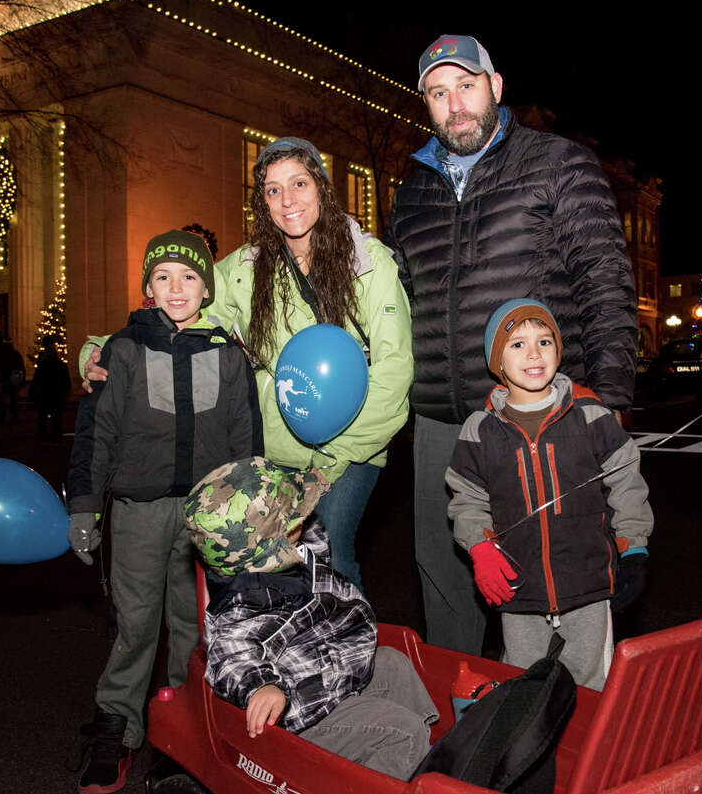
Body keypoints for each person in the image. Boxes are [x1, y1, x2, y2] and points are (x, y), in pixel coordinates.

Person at [385, 35, 637, 654]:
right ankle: (464, 712)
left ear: (496, 85)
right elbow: (393, 299)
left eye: (466, 86)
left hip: (542, 416)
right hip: (443, 420)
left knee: (557, 575)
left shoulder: (558, 164)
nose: (455, 105)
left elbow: (605, 281)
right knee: (444, 572)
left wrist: (608, 401)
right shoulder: (411, 191)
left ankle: (560, 720)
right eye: (438, 94)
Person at [82, 138, 413, 593]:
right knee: (266, 567)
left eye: (298, 183)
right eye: (273, 191)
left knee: (331, 551)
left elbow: (394, 371)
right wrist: (102, 347)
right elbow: (180, 312)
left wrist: (331, 464)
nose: (287, 200)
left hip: (355, 445)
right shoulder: (245, 268)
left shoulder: (370, 263)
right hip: (276, 448)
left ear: (321, 186)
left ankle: (346, 653)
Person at [66, 229, 262, 794]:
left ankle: (185, 731)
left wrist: (247, 518)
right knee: (134, 627)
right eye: (163, 277)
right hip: (139, 513)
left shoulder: (229, 355)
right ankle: (117, 729)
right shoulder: (122, 351)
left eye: (190, 277)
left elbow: (245, 443)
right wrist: (85, 507)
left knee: (196, 628)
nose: (177, 288)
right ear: (149, 287)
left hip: (208, 518)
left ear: (207, 287)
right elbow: (97, 434)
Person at [185, 457, 438, 779]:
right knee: (402, 731)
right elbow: (232, 656)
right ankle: (394, 765)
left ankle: (423, 762)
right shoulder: (242, 604)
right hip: (302, 718)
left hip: (324, 676)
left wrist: (303, 490)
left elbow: (311, 540)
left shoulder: (295, 550)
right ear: (281, 533)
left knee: (392, 662)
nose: (304, 517)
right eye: (295, 514)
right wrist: (262, 686)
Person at [444, 300, 652, 690]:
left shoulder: (591, 415)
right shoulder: (480, 430)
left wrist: (633, 546)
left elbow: (626, 482)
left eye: (544, 341)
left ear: (559, 350)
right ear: (497, 362)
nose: (534, 353)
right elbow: (467, 497)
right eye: (517, 344)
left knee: (591, 689)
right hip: (519, 589)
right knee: (521, 690)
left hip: (588, 585)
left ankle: (589, 752)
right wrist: (479, 547)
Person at [28, 335, 70, 444]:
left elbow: (36, 380)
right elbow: (66, 381)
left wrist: (32, 393)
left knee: (43, 417)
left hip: (45, 394)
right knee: (56, 418)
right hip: (56, 394)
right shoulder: (60, 365)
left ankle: (43, 437)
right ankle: (56, 437)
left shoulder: (43, 365)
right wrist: (65, 393)